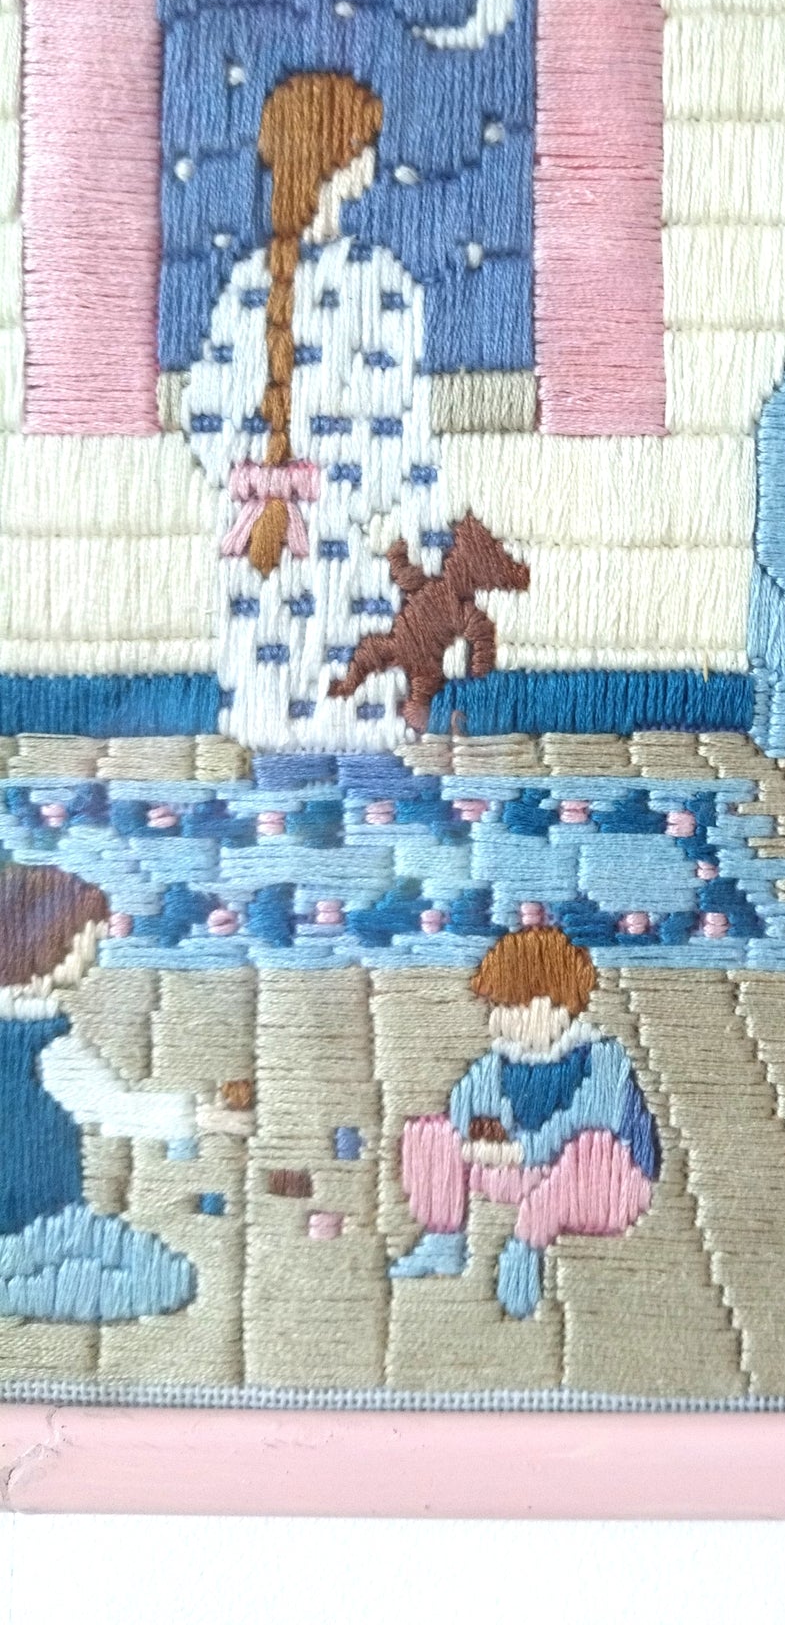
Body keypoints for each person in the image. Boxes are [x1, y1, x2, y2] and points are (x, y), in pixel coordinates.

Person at [181, 71, 444, 751]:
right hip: (343, 543)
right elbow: (400, 425)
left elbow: (203, 410)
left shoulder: (245, 283)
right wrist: (409, 522)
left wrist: (257, 482)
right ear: (339, 158)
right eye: (366, 144)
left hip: (256, 540)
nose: (374, 159)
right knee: (358, 700)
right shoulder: (382, 284)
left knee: (267, 707)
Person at [0, 863, 252, 1322]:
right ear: (51, 946)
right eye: (90, 938)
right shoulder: (45, 1043)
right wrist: (205, 1118)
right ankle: (20, 1286)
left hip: (37, 1229)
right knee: (166, 1277)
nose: (96, 949)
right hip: (43, 1223)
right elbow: (113, 1108)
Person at [389, 925, 660, 1318]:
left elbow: (587, 1119)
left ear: (555, 1005)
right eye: (496, 1009)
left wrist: (521, 1151)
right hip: (524, 1173)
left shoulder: (602, 1058)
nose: (501, 1021)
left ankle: (526, 1247)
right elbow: (464, 1104)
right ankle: (443, 1238)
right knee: (430, 1133)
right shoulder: (497, 1063)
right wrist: (472, 1140)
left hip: (603, 1184)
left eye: (512, 1007)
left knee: (594, 1147)